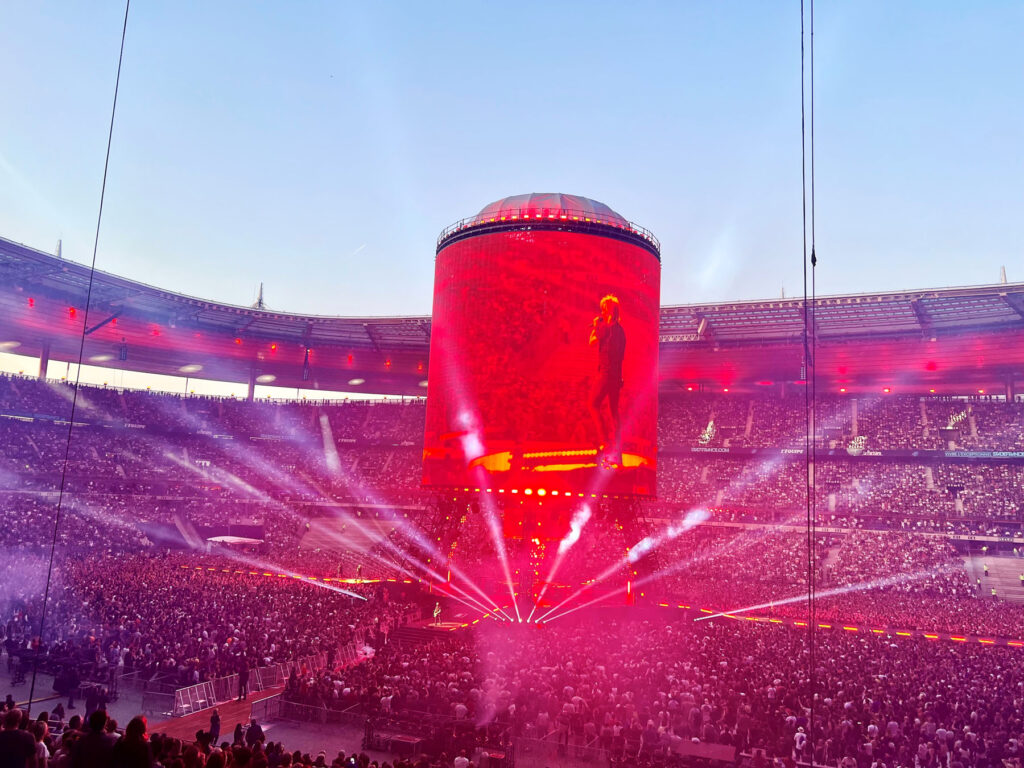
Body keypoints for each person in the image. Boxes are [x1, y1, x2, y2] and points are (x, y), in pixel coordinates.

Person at [588, 294, 626, 466]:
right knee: (614, 412)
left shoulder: (604, 327)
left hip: (605, 373)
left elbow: (591, 342)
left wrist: (596, 326)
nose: (601, 310)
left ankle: (604, 441)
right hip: (616, 375)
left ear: (606, 309)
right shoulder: (621, 330)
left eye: (603, 307)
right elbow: (621, 356)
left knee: (592, 404)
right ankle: (618, 449)